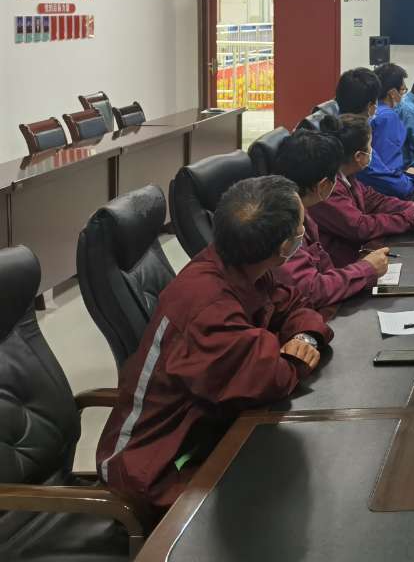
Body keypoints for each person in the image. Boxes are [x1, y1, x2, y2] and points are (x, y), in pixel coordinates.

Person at [97, 176, 332, 511]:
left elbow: (296, 306)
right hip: (157, 470)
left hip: (208, 432)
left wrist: (303, 338)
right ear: (284, 248)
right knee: (285, 502)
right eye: (300, 228)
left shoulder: (241, 265)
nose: (304, 231)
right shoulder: (207, 304)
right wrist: (295, 356)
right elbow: (271, 377)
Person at [274, 128, 390, 308]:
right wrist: (366, 269)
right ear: (323, 186)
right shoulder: (283, 225)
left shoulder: (302, 211)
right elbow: (310, 291)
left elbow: (324, 269)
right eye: (336, 176)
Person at [311, 114, 414, 267]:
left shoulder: (347, 175)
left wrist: (412, 207)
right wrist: (408, 217)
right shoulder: (328, 187)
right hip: (340, 267)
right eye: (370, 146)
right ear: (358, 156)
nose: (373, 151)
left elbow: (373, 199)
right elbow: (360, 227)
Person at [355, 62, 414, 199]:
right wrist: (411, 178)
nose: (403, 95)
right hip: (389, 193)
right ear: (392, 93)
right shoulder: (388, 117)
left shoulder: (372, 114)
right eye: (403, 90)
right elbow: (388, 168)